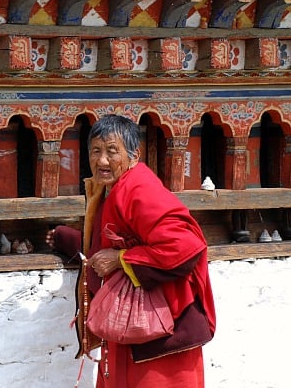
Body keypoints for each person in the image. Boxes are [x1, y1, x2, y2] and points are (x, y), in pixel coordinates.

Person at [47, 115, 216, 388]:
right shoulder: (112, 189)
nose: (102, 161)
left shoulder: (138, 189)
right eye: (96, 151)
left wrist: (121, 259)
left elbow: (185, 246)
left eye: (112, 151)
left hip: (160, 330)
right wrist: (69, 240)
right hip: (135, 326)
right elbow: (117, 241)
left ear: (134, 155)